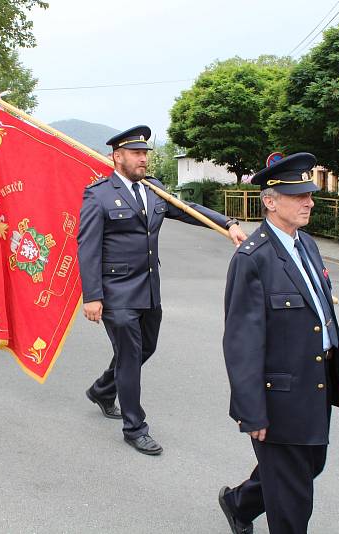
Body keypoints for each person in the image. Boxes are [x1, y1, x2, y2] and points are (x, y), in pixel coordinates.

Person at [78, 125, 246, 455]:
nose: (143, 159)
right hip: (116, 292)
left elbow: (187, 210)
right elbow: (87, 247)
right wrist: (93, 296)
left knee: (145, 349)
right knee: (129, 355)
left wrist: (227, 224)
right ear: (117, 157)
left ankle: (102, 389)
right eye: (136, 154)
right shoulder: (97, 195)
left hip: (148, 289)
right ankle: (134, 427)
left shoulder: (155, 190)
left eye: (145, 154)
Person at [218, 152, 339, 534]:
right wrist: (251, 410)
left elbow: (323, 310)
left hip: (316, 383)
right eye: (298, 196)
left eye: (309, 194)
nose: (309, 201)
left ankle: (239, 503)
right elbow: (241, 342)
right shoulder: (253, 258)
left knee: (311, 465)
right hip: (279, 396)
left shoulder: (305, 243)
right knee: (293, 500)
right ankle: (252, 506)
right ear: (270, 201)